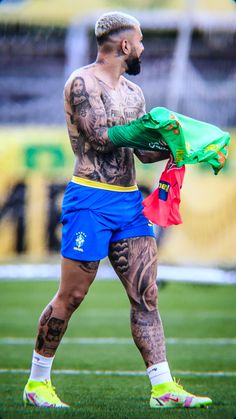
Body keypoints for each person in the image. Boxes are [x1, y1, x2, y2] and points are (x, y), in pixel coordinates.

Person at [23, 11, 212, 409]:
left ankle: (163, 389)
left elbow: (140, 152)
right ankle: (37, 383)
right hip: (89, 200)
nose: (143, 48)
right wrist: (152, 127)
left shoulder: (133, 93)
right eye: (140, 41)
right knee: (72, 294)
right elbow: (98, 136)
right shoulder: (82, 82)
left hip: (127, 201)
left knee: (146, 294)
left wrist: (183, 147)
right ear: (124, 45)